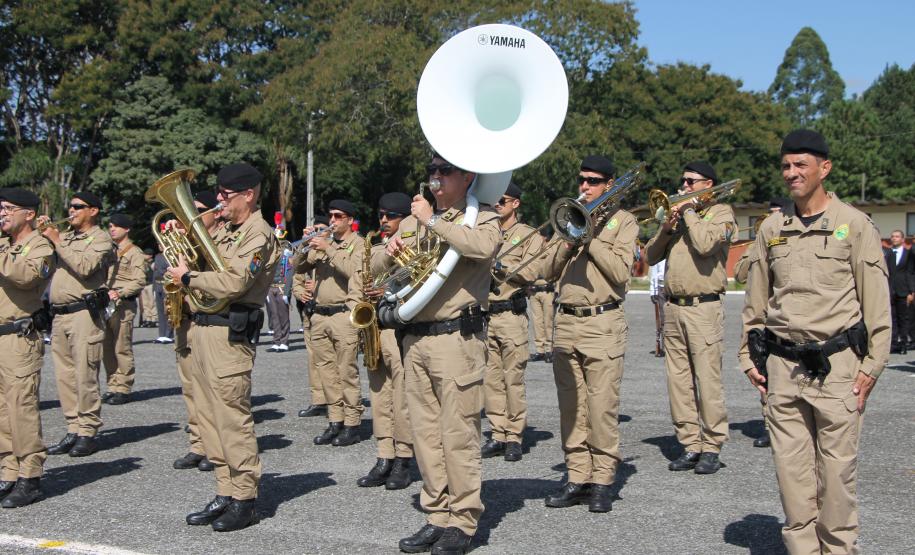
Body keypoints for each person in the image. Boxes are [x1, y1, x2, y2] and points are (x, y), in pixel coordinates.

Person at [739, 129, 890, 554]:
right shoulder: (771, 228)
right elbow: (756, 302)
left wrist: (872, 367)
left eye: (801, 164)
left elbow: (877, 305)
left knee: (837, 475)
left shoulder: (854, 226)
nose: (792, 173)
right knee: (792, 474)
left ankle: (838, 549)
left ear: (824, 168)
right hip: (783, 370)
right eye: (786, 165)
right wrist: (748, 356)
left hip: (837, 366)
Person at [375, 153, 500, 554]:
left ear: (467, 177)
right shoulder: (413, 220)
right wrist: (390, 249)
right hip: (416, 338)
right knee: (425, 434)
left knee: (458, 433)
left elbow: (482, 248)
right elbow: (377, 265)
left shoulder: (482, 216)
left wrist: (432, 221)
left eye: (444, 171)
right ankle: (437, 514)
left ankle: (463, 522)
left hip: (456, 340)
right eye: (431, 171)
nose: (435, 178)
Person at [167, 162, 279, 532]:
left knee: (232, 419)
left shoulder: (258, 233)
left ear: (248, 195)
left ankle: (244, 498)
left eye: (225, 195)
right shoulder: (228, 229)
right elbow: (208, 265)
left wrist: (189, 276)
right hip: (202, 329)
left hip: (228, 336)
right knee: (209, 418)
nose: (219, 200)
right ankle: (224, 489)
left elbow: (234, 282)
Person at [540, 155, 638, 513]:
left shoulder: (624, 222)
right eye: (582, 179)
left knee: (601, 408)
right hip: (566, 322)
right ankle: (577, 476)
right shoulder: (567, 218)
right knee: (572, 408)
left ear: (609, 185)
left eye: (593, 181)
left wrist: (589, 236)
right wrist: (567, 239)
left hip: (602, 323)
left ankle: (602, 480)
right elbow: (546, 270)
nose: (585, 186)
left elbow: (620, 272)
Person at [645, 160, 736, 475]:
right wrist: (667, 227)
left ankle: (711, 446)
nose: (682, 187)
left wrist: (687, 212)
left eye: (689, 181)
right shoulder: (680, 217)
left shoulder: (721, 214)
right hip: (674, 308)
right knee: (678, 381)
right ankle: (690, 444)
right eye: (682, 181)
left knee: (707, 380)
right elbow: (651, 255)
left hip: (704, 307)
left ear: (707, 184)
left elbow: (706, 244)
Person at [40, 190, 115, 458]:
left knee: (85, 374)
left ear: (93, 211)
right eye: (70, 206)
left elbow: (86, 267)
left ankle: (88, 431)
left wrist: (57, 240)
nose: (70, 211)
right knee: (65, 377)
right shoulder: (67, 238)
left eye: (77, 207)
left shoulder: (102, 239)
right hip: (59, 314)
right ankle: (73, 427)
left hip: (85, 313)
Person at [352, 192, 414, 490]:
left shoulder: (414, 245)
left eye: (391, 216)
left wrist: (389, 288)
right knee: (379, 396)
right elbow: (359, 279)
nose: (384, 221)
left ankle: (403, 457)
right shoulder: (376, 248)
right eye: (381, 215)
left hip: (400, 328)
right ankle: (384, 455)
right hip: (374, 329)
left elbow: (419, 282)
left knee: (401, 398)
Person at [292, 201, 364, 446]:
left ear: (349, 219)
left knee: (346, 372)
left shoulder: (359, 244)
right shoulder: (326, 242)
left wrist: (329, 250)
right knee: (327, 373)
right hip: (320, 315)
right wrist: (304, 245)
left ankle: (352, 422)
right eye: (331, 216)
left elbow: (356, 271)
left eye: (338, 216)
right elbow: (298, 267)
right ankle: (335, 420)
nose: (333, 220)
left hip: (344, 314)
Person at [0, 188, 55, 507]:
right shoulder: (6, 245)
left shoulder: (41, 246)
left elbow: (24, 277)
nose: (2, 213)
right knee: (3, 411)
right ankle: (8, 471)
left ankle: (30, 476)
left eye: (8, 208)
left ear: (29, 214)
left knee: (21, 408)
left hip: (20, 338)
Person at [482, 182, 542, 462]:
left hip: (510, 315)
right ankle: (498, 433)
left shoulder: (528, 235)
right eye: (495, 200)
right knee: (491, 381)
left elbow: (532, 272)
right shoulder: (484, 231)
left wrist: (500, 265)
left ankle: (515, 436)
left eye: (503, 200)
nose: (497, 204)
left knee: (512, 379)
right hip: (485, 315)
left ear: (516, 203)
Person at [171, 190, 221, 473]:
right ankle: (198, 443)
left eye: (198, 209)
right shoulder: (183, 242)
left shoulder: (220, 243)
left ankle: (214, 447)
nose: (191, 216)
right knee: (190, 387)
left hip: (209, 319)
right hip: (186, 319)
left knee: (210, 390)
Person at [733, 197, 788, 449]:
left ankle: (785, 425)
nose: (772, 217)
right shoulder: (760, 241)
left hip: (783, 315)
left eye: (777, 212)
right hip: (761, 315)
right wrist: (758, 246)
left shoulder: (789, 240)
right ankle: (769, 425)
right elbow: (740, 274)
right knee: (763, 372)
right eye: (770, 213)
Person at [101, 213, 148, 405]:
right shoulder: (108, 251)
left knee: (122, 347)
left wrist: (120, 292)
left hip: (123, 304)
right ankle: (113, 385)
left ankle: (124, 387)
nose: (112, 229)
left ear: (127, 229)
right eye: (110, 226)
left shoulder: (134, 252)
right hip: (106, 303)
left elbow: (140, 280)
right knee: (107, 348)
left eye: (117, 226)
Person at [294, 216, 328, 418]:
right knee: (313, 359)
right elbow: (297, 278)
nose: (317, 232)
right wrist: (300, 293)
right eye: (314, 228)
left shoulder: (335, 249)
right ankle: (319, 400)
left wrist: (319, 287)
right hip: (310, 311)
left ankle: (336, 401)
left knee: (332, 361)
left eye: (321, 229)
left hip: (329, 311)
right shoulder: (308, 251)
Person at [527, 227, 555, 363]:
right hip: (534, 290)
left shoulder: (551, 249)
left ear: (544, 238)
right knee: (537, 322)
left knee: (548, 321)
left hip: (547, 289)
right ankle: (540, 350)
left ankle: (550, 349)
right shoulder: (533, 250)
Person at [883, 229, 913, 354]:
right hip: (889, 289)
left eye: (897, 236)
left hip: (903, 289)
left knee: (903, 318)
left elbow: (911, 273)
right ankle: (893, 343)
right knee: (891, 318)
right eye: (892, 236)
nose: (894, 238)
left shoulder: (908, 254)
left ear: (902, 239)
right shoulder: (887, 253)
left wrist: (912, 291)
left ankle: (904, 343)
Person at [266, 228, 293, 353]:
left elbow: (289, 272)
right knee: (274, 316)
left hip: (281, 287)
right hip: (270, 287)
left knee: (283, 315)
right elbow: (262, 271)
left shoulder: (286, 252)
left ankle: (284, 341)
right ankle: (276, 341)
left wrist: (287, 292)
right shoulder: (267, 251)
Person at [153, 248, 174, 343]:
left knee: (168, 310)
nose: (159, 246)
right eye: (158, 244)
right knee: (160, 310)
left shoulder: (171, 255)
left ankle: (169, 333)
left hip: (167, 284)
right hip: (158, 285)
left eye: (160, 244)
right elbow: (155, 273)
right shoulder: (157, 256)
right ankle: (161, 334)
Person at [648, 259, 666, 357]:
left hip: (675, 287)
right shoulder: (660, 250)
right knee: (662, 320)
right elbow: (654, 271)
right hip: (662, 287)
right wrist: (653, 291)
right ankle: (663, 346)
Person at [139, 248, 158, 327]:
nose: (144, 255)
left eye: (145, 254)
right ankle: (148, 318)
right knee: (145, 303)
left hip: (150, 284)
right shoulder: (143, 263)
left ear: (150, 256)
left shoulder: (153, 263)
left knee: (152, 303)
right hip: (144, 285)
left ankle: (154, 319)